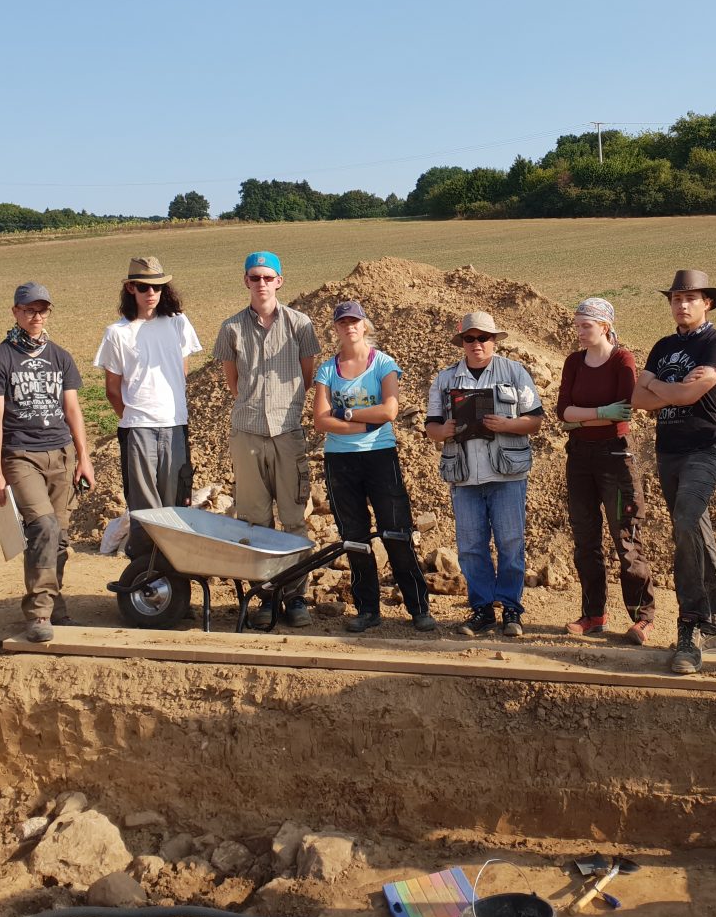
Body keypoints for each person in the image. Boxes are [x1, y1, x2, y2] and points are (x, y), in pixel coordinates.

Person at [633, 270, 716, 675]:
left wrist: (662, 387)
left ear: (706, 302)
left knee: (687, 522)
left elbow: (689, 393)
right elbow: (637, 398)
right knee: (694, 531)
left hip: (704, 448)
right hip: (668, 450)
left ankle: (690, 626)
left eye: (690, 298)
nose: (682, 304)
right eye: (676, 298)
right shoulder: (663, 346)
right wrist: (667, 389)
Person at [0, 283, 96, 643]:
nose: (36, 317)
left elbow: (73, 410)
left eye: (43, 310)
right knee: (43, 526)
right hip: (20, 456)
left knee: (58, 537)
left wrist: (84, 459)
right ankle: (39, 612)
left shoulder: (60, 357)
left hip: (61, 454)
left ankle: (55, 609)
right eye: (29, 310)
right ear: (15, 311)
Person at [211, 251, 322, 627]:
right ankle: (264, 597)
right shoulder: (231, 329)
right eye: (254, 277)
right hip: (247, 433)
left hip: (287, 433)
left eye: (267, 277)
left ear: (279, 281)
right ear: (246, 281)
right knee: (255, 522)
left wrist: (281, 408)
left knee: (293, 519)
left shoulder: (300, 324)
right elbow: (233, 383)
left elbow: (307, 378)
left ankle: (295, 598)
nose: (261, 283)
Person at [311, 300, 434, 633]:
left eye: (355, 321)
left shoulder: (383, 364)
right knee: (355, 537)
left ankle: (419, 607)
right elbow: (320, 420)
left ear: (365, 325)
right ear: (335, 328)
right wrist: (364, 424)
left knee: (396, 532)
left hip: (380, 457)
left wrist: (348, 415)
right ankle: (367, 610)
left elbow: (389, 411)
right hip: (340, 461)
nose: (349, 326)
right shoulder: (327, 369)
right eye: (343, 322)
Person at [425, 311, 543, 638]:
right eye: (470, 338)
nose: (477, 344)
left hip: (506, 475)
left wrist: (507, 425)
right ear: (462, 342)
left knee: (510, 542)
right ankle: (481, 609)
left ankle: (511, 609)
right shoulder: (445, 379)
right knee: (471, 546)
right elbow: (430, 427)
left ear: (494, 340)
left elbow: (535, 420)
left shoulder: (515, 372)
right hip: (464, 476)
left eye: (483, 338)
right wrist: (443, 430)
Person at [555, 297, 654, 643]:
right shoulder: (573, 362)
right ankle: (593, 614)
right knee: (585, 541)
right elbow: (562, 411)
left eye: (586, 325)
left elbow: (623, 411)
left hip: (615, 458)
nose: (579, 332)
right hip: (579, 457)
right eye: (578, 325)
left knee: (626, 538)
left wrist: (583, 416)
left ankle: (642, 617)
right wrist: (598, 412)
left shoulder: (622, 359)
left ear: (605, 327)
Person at [93, 257, 201, 562]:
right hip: (138, 428)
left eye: (156, 286)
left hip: (175, 425)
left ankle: (175, 576)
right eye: (143, 287)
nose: (150, 292)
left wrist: (173, 411)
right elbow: (112, 389)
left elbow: (181, 374)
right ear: (131, 289)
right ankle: (144, 576)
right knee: (144, 509)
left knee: (176, 505)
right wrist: (134, 416)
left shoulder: (178, 322)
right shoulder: (117, 332)